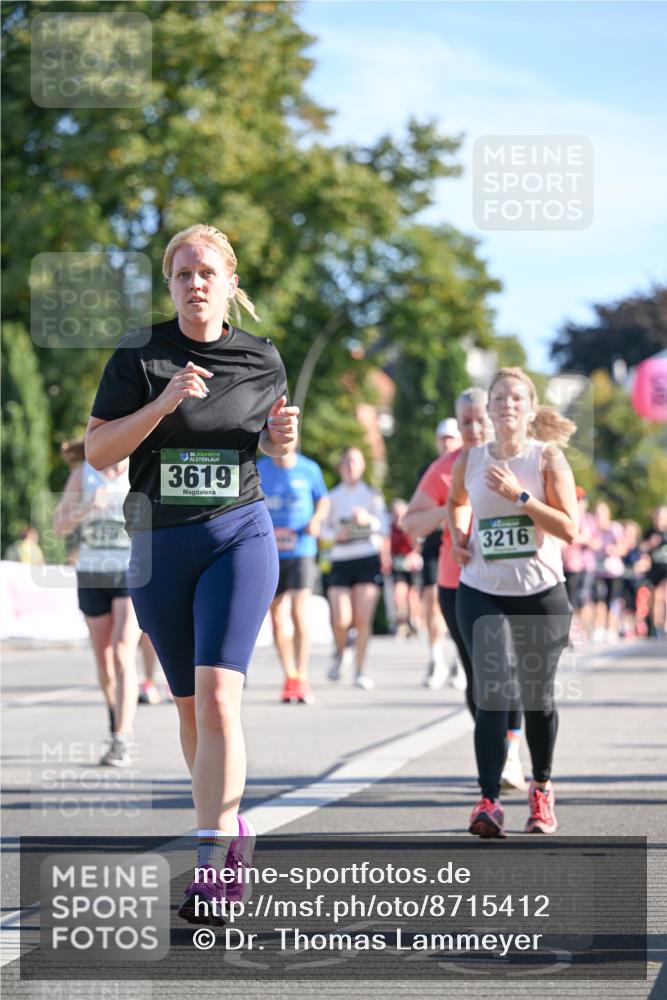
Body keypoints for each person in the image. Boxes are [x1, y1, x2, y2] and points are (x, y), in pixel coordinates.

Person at [84, 224, 299, 924]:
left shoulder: (261, 357)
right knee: (186, 709)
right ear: (170, 285)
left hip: (237, 535)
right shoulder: (138, 355)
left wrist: (281, 441)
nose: (195, 282)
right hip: (157, 545)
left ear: (231, 282)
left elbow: (269, 446)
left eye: (208, 271)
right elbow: (96, 451)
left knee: (215, 698)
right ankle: (230, 826)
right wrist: (162, 402)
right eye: (182, 273)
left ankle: (212, 867)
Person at [448, 367, 577, 838]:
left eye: (515, 398)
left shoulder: (547, 457)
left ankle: (541, 788)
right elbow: (458, 501)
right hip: (481, 589)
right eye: (499, 397)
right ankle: (488, 801)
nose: (506, 405)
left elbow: (569, 528)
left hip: (541, 592)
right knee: (493, 693)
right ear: (489, 407)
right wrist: (458, 537)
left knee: (537, 698)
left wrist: (520, 497)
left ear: (529, 408)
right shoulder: (471, 458)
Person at [403, 388, 526, 792]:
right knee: (479, 673)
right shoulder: (446, 467)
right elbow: (410, 523)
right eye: (465, 422)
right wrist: (453, 506)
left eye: (479, 420)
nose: (473, 429)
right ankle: (499, 750)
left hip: (510, 582)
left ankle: (513, 750)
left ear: (494, 418)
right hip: (459, 584)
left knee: (506, 670)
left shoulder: (516, 460)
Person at [53, 451, 140, 765]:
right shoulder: (84, 473)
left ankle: (122, 737)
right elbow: (59, 526)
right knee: (104, 661)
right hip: (91, 573)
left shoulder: (140, 467)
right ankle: (115, 714)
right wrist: (87, 508)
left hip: (131, 572)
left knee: (121, 652)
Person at [257, 450, 329, 704]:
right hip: (271, 550)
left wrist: (317, 519)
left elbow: (323, 500)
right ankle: (289, 675)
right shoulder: (260, 468)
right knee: (277, 616)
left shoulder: (309, 469)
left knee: (299, 612)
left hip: (301, 549)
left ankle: (302, 674)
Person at [321, 447, 390, 690]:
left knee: (362, 619)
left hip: (366, 558)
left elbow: (385, 526)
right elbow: (322, 530)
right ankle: (341, 652)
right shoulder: (332, 497)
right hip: (341, 560)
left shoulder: (371, 495)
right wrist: (334, 536)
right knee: (341, 619)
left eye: (356, 462)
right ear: (341, 467)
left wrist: (368, 520)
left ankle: (360, 670)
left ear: (362, 467)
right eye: (347, 462)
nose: (351, 467)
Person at [414, 418, 461, 687]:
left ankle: (460, 662)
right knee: (432, 600)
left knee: (458, 603)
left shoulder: (469, 466)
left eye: (451, 438)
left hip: (461, 540)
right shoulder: (427, 471)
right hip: (433, 542)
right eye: (443, 438)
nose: (447, 443)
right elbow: (417, 512)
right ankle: (436, 660)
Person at [562, 486, 596, 646]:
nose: (579, 503)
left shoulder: (586, 518)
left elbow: (590, 538)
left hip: (583, 565)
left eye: (581, 500)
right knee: (569, 601)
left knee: (581, 600)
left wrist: (571, 537)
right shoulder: (568, 515)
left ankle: (579, 631)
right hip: (568, 565)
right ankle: (571, 632)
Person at [590, 501, 625, 643]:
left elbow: (623, 546)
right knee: (599, 600)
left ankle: (611, 629)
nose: (599, 517)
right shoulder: (593, 530)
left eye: (601, 514)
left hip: (613, 571)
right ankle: (599, 628)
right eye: (597, 514)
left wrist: (613, 550)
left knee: (612, 601)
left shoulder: (614, 528)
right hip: (598, 571)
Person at [389, 498, 423, 639]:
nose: (398, 517)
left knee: (413, 595)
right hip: (397, 564)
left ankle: (415, 621)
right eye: (396, 514)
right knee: (399, 594)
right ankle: (401, 623)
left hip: (412, 564)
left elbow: (418, 544)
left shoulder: (411, 525)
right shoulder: (390, 527)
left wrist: (413, 555)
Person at [643, 505, 667, 638]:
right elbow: (641, 549)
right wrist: (650, 544)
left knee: (665, 597)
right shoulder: (650, 533)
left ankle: (664, 625)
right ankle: (656, 626)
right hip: (654, 570)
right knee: (656, 598)